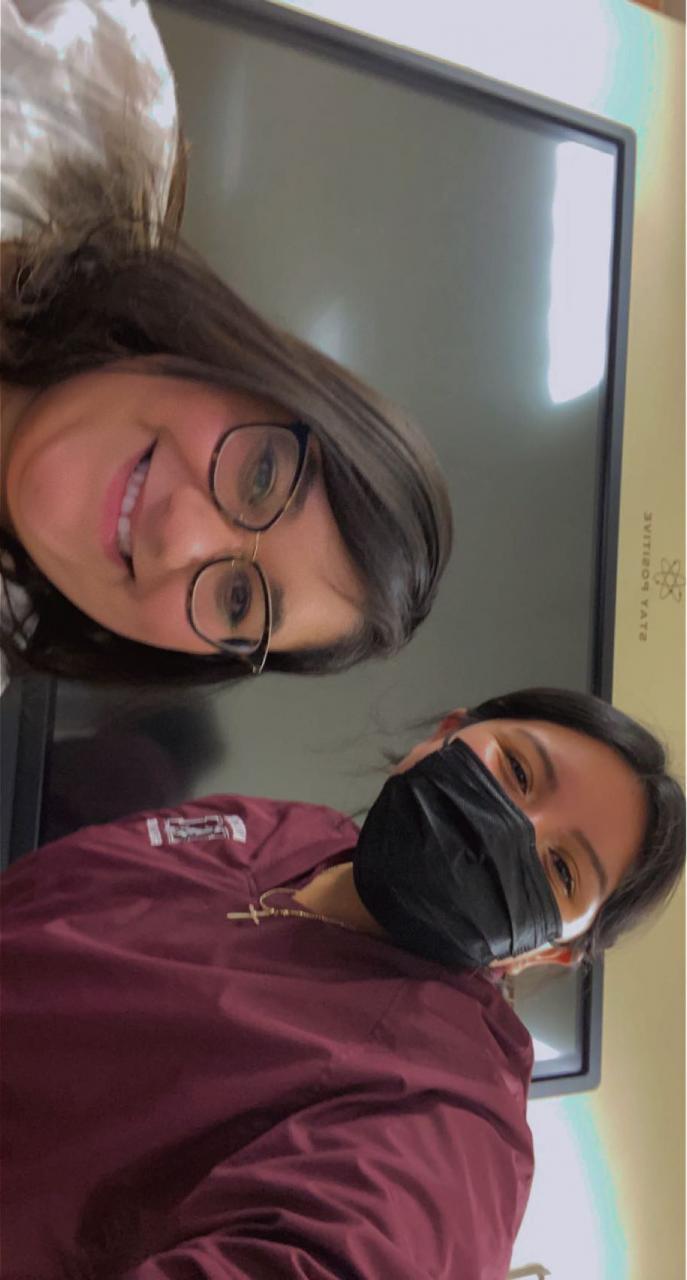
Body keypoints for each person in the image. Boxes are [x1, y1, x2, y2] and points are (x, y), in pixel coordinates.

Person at [2, 687, 683, 1278]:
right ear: (447, 732)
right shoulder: (287, 831)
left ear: (551, 952)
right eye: (518, 770)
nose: (513, 830)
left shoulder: (443, 1121)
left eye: (561, 870)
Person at [0, 0, 452, 689]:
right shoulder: (85, 87)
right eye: (262, 476)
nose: (179, 536)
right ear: (244, 371)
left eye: (238, 599)